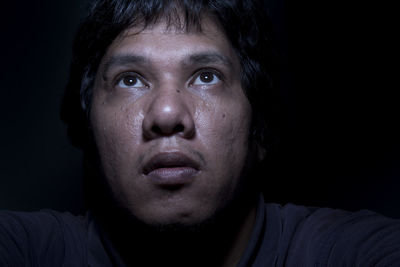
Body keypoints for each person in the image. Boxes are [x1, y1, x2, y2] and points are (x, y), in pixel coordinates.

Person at [1, 0, 399, 266]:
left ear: (258, 128)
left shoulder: (344, 253)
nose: (168, 112)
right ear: (90, 130)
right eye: (130, 80)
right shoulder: (32, 251)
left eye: (206, 76)